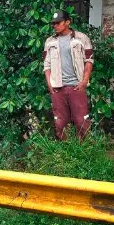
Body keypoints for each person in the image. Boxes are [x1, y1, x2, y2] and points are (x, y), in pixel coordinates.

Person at [43, 10, 94, 140]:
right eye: (53, 24)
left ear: (67, 22)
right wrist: (50, 86)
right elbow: (46, 65)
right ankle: (66, 152)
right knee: (60, 122)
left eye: (58, 23)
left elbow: (89, 61)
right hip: (58, 88)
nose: (55, 26)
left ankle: (84, 152)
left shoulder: (81, 38)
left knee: (81, 121)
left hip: (76, 86)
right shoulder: (49, 41)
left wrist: (84, 82)